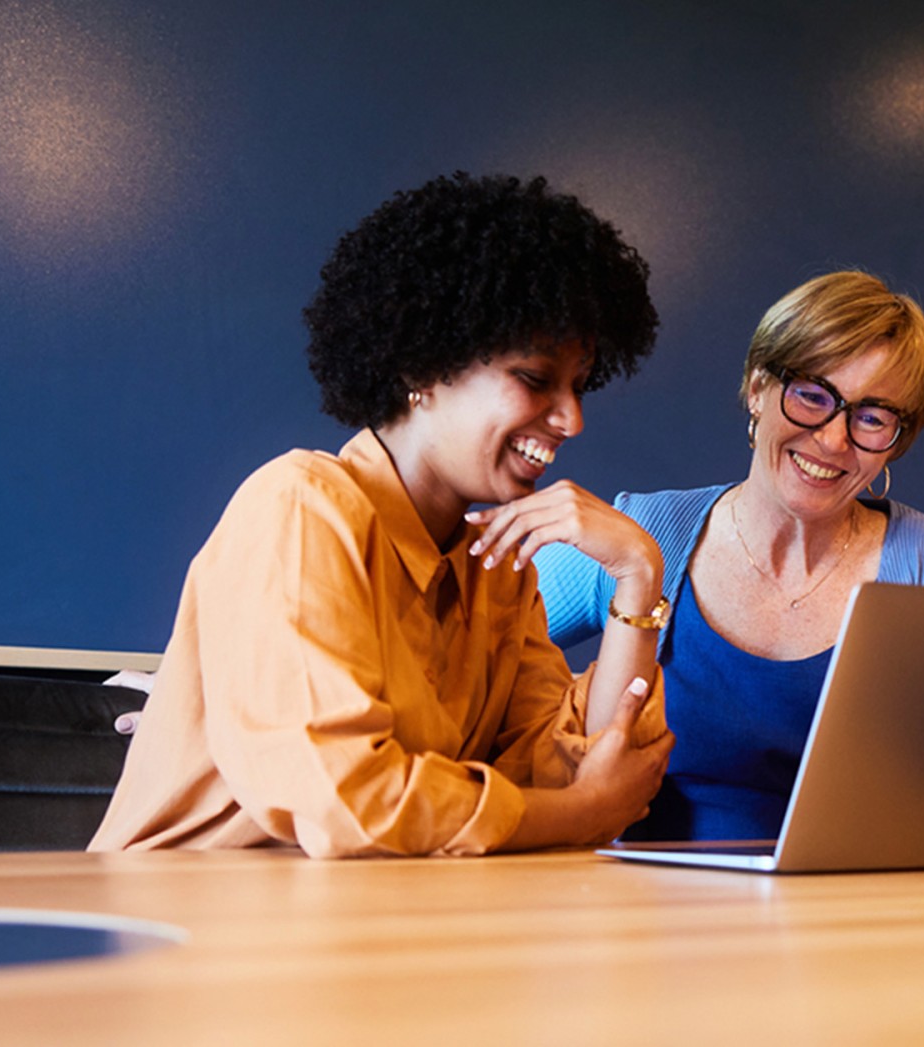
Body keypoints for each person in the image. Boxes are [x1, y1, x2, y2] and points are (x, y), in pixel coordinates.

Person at [91, 173, 674, 858]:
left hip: (362, 926)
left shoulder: (495, 570)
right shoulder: (302, 507)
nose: (571, 419)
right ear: (422, 367)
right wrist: (577, 812)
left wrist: (637, 578)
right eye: (535, 378)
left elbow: (579, 773)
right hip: (188, 932)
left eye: (579, 386)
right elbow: (349, 798)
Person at [535, 271, 924, 842]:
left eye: (871, 417)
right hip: (642, 910)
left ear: (896, 440)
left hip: (851, 914)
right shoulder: (642, 534)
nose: (833, 440)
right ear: (756, 388)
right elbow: (464, 656)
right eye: (812, 396)